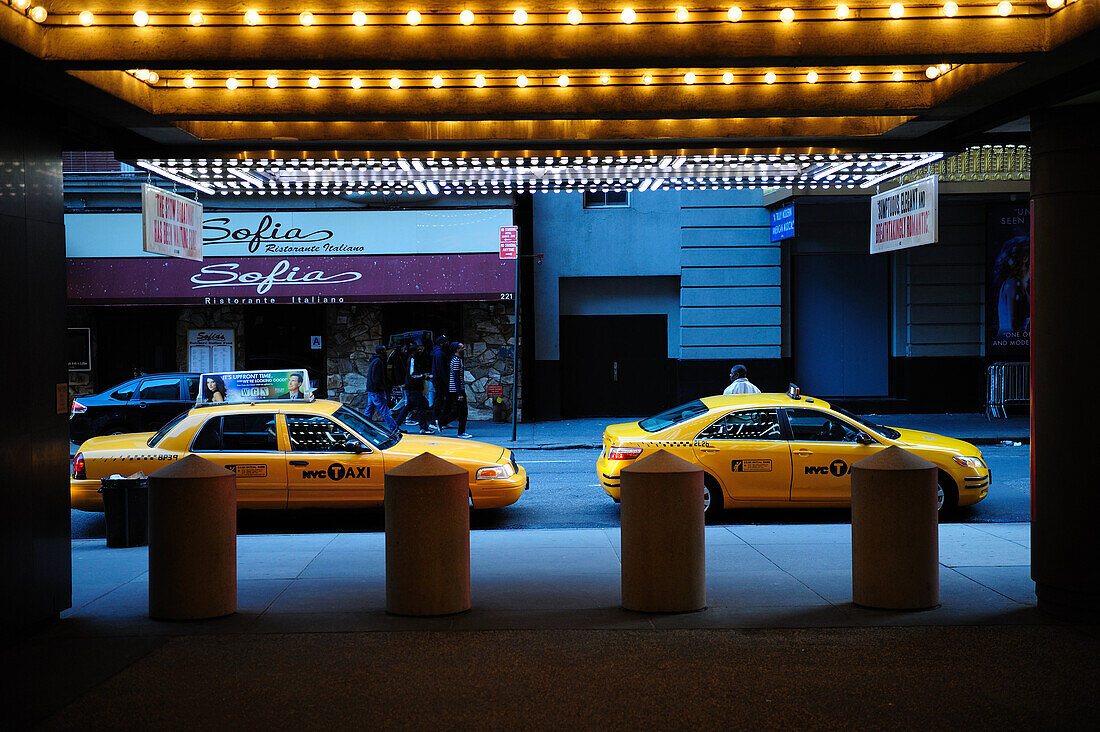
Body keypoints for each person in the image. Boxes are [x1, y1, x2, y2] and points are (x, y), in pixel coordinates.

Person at [392, 343, 434, 434]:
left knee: (409, 406)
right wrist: (424, 376)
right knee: (420, 407)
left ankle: (395, 426)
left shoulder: (412, 359)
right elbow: (413, 374)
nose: (420, 351)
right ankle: (423, 428)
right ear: (413, 351)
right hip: (414, 387)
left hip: (412, 387)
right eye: (417, 350)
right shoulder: (413, 360)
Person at [365, 345, 399, 432]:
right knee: (385, 411)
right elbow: (377, 378)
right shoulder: (378, 362)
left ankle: (363, 428)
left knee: (369, 411)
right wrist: (383, 388)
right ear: (381, 352)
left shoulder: (375, 361)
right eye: (384, 351)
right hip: (377, 391)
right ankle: (394, 429)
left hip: (372, 390)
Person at [441, 342, 472, 438]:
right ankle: (460, 432)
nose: (464, 349)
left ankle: (441, 421)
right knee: (462, 411)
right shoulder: (456, 361)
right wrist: (459, 393)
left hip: (456, 388)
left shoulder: (457, 359)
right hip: (456, 389)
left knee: (457, 410)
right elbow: (456, 377)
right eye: (462, 347)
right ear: (457, 350)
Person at [430, 335, 453, 432]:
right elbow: (441, 370)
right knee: (439, 400)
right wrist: (446, 381)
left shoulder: (439, 353)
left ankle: (442, 420)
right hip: (441, 381)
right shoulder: (439, 354)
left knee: (442, 400)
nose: (448, 343)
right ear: (441, 343)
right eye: (446, 341)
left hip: (440, 381)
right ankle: (434, 421)